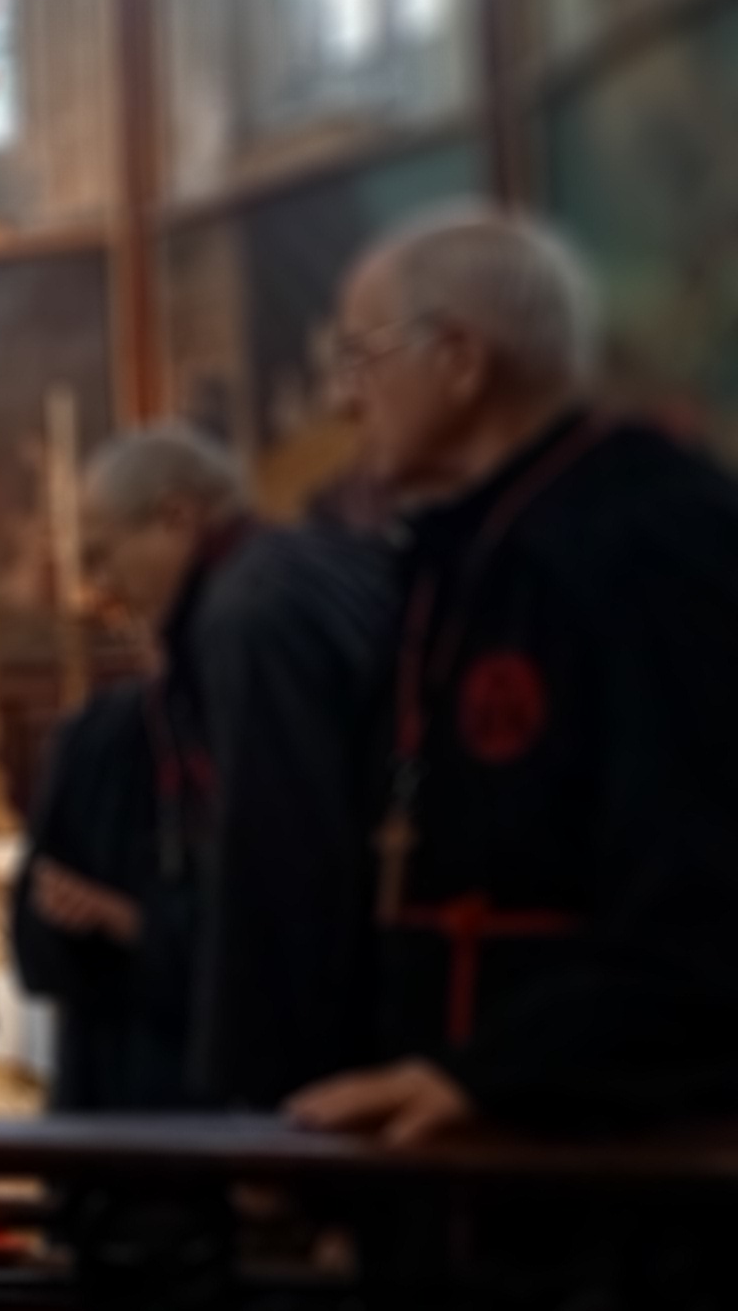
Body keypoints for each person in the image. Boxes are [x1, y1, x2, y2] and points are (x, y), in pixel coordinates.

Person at [289, 207, 738, 1145]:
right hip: (456, 1131)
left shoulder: (652, 539)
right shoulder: (461, 552)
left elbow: (699, 883)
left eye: (360, 358)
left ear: (459, 358)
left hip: (612, 1154)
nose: (342, 402)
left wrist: (502, 1072)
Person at [66, 424, 393, 1109]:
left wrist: (264, 1082)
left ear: (176, 517)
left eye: (103, 555)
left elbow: (282, 855)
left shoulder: (245, 616)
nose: (100, 588)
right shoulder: (297, 566)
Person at [10, 681, 202, 1113]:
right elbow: (38, 911)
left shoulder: (248, 722)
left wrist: (134, 922)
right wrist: (64, 907)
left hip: (206, 1076)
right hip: (107, 1060)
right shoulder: (101, 733)